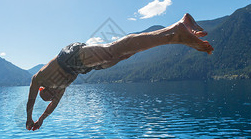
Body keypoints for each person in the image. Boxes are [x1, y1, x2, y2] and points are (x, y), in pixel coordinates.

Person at [26, 13, 214, 131]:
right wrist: (41, 119)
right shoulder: (57, 91)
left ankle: (177, 30)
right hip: (84, 67)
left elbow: (32, 91)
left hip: (72, 57)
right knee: (122, 56)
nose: (54, 95)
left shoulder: (42, 77)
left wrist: (29, 118)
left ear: (43, 89)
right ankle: (174, 34)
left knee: (113, 50)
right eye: (52, 97)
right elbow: (51, 107)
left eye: (49, 94)